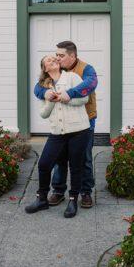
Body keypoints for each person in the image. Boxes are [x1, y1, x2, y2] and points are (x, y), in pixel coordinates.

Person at [33, 40, 99, 208]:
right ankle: (58, 190)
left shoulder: (85, 70)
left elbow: (90, 85)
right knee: (59, 159)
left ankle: (84, 192)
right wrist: (46, 92)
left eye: (61, 56)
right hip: (60, 126)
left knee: (83, 159)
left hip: (86, 118)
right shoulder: (53, 76)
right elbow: (37, 89)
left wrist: (68, 94)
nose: (57, 58)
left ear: (72, 56)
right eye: (56, 56)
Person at [25, 54, 91, 218]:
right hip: (57, 132)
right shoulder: (44, 87)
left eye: (54, 58)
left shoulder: (72, 77)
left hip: (79, 130)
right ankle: (42, 199)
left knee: (76, 166)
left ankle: (73, 200)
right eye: (48, 60)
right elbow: (43, 114)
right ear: (45, 68)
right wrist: (50, 101)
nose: (53, 59)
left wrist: (65, 98)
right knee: (44, 164)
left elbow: (85, 98)